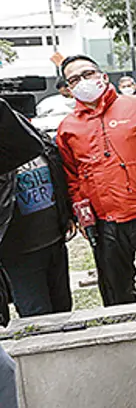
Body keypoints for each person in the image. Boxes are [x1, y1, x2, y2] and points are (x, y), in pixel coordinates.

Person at [56, 55, 136, 306]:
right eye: (74, 79)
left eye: (87, 74)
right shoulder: (67, 128)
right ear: (69, 90)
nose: (83, 82)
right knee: (117, 298)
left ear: (103, 76)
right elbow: (71, 178)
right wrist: (81, 215)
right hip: (106, 225)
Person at [0, 106, 74, 316]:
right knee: (37, 313)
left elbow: (59, 179)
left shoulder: (41, 144)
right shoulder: (5, 154)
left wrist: (66, 215)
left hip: (54, 240)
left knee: (63, 307)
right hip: (19, 250)